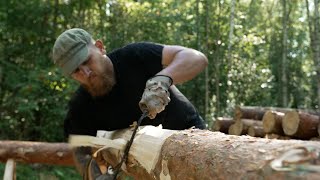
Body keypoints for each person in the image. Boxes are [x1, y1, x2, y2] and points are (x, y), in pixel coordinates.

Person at [52, 28, 208, 179]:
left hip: (193, 138)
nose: (86, 72)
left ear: (99, 47)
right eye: (76, 70)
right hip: (152, 167)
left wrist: (162, 79)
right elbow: (82, 152)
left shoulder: (134, 56)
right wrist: (97, 176)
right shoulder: (81, 107)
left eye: (87, 61)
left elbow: (196, 58)